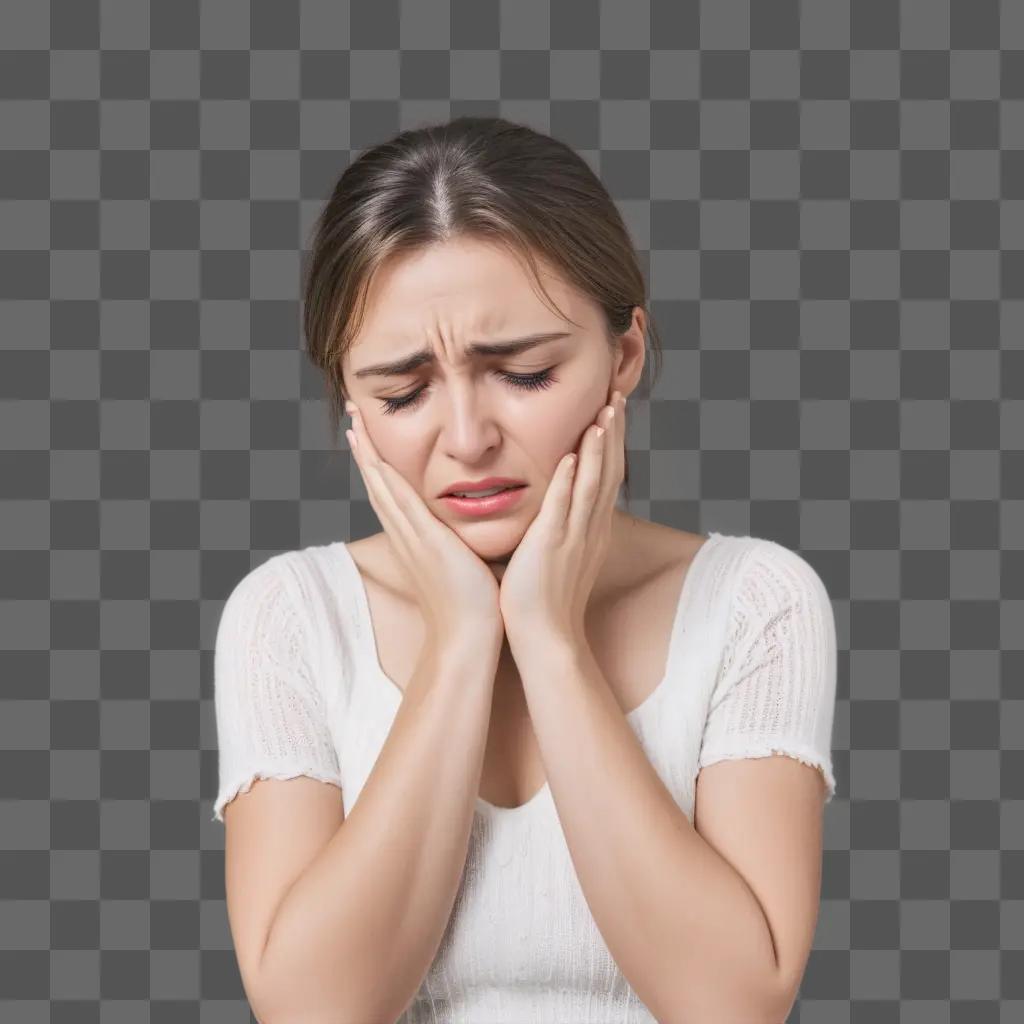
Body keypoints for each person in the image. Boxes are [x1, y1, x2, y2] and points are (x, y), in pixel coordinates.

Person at [211, 116, 837, 1023]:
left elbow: (731, 1006)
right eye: (403, 391)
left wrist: (549, 639)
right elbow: (314, 1011)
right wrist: (464, 641)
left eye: (527, 375)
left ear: (622, 357)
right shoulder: (290, 615)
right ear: (352, 401)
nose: (466, 439)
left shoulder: (753, 603)